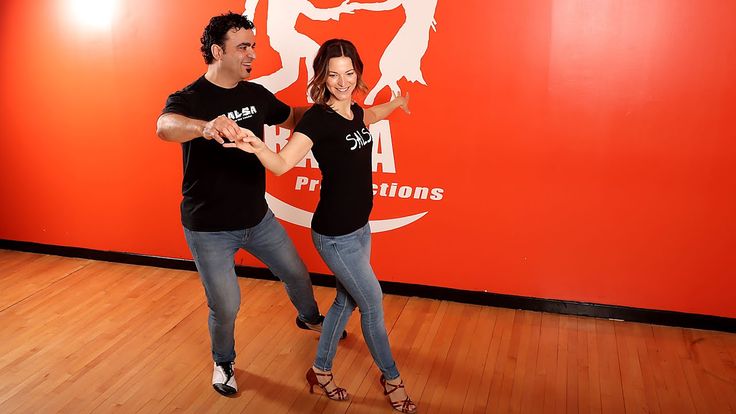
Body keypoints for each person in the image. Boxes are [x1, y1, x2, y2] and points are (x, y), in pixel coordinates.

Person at [155, 12, 344, 397]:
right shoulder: (189, 98)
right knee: (225, 306)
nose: (252, 55)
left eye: (253, 46)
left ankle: (309, 319)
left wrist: (332, 104)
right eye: (243, 47)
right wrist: (203, 127)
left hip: (257, 220)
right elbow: (165, 126)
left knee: (296, 273)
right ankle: (223, 362)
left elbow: (291, 117)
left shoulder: (254, 94)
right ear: (216, 51)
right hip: (208, 228)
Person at [225, 39, 416, 413]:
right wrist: (255, 145)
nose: (342, 81)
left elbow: (370, 116)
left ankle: (320, 371)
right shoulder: (317, 119)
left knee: (346, 301)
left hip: (360, 228)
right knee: (372, 305)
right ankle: (391, 378)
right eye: (333, 74)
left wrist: (395, 104)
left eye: (348, 73)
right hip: (335, 235)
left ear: (357, 73)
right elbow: (282, 164)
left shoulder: (354, 111)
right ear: (322, 77)